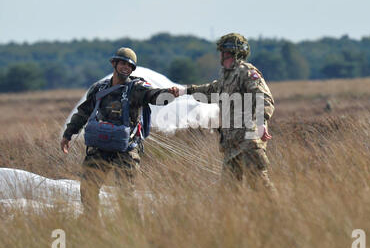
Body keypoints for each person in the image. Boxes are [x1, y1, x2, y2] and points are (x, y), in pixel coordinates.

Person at [61, 47, 178, 217]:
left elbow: (153, 95)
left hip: (126, 150)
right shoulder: (99, 88)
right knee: (88, 188)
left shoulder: (136, 88)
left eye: (130, 66)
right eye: (122, 63)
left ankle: (132, 231)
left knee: (126, 195)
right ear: (114, 64)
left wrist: (168, 94)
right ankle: (92, 224)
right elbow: (84, 112)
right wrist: (68, 135)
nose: (126, 67)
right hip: (99, 148)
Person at [173, 33, 278, 195]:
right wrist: (185, 91)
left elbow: (264, 97)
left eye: (225, 52)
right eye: (222, 52)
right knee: (228, 193)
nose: (221, 56)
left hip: (249, 142)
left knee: (258, 185)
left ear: (234, 53)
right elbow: (210, 90)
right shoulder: (226, 77)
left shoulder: (246, 72)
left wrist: (261, 122)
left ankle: (276, 215)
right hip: (231, 146)